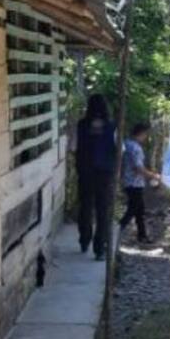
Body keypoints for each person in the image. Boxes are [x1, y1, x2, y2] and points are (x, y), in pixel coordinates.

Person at [75, 94, 117, 260]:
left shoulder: (81, 125)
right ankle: (100, 248)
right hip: (105, 173)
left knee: (85, 206)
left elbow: (73, 146)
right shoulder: (112, 126)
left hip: (85, 171)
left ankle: (84, 240)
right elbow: (119, 150)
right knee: (103, 209)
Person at [119, 121, 160, 244]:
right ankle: (117, 229)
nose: (146, 137)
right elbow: (138, 167)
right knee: (133, 209)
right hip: (134, 183)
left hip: (129, 181)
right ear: (141, 133)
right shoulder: (135, 148)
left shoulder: (126, 143)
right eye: (145, 134)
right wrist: (153, 175)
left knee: (139, 210)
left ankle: (142, 235)